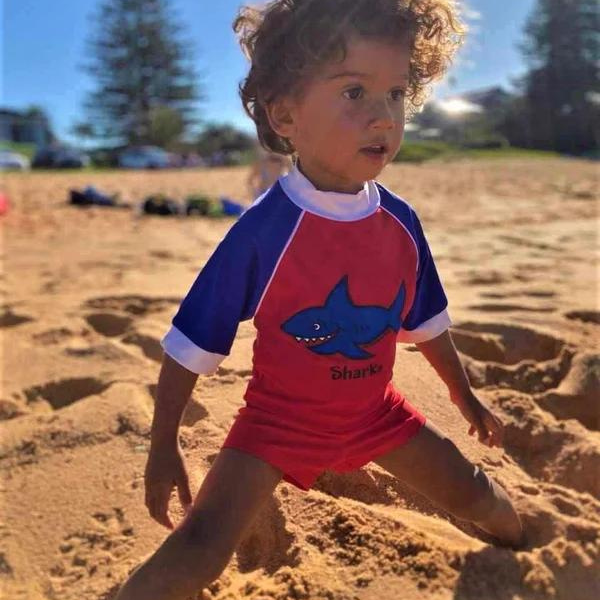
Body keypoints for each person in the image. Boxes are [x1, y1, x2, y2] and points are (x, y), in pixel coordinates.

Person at [115, 1, 524, 598]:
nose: (383, 117)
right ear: (285, 114)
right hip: (274, 426)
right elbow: (191, 346)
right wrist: (163, 446)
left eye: (395, 95)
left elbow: (428, 324)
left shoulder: (401, 223)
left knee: (479, 497)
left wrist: (466, 399)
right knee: (199, 546)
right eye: (354, 93)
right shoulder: (263, 232)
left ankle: (529, 552)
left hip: (378, 415)